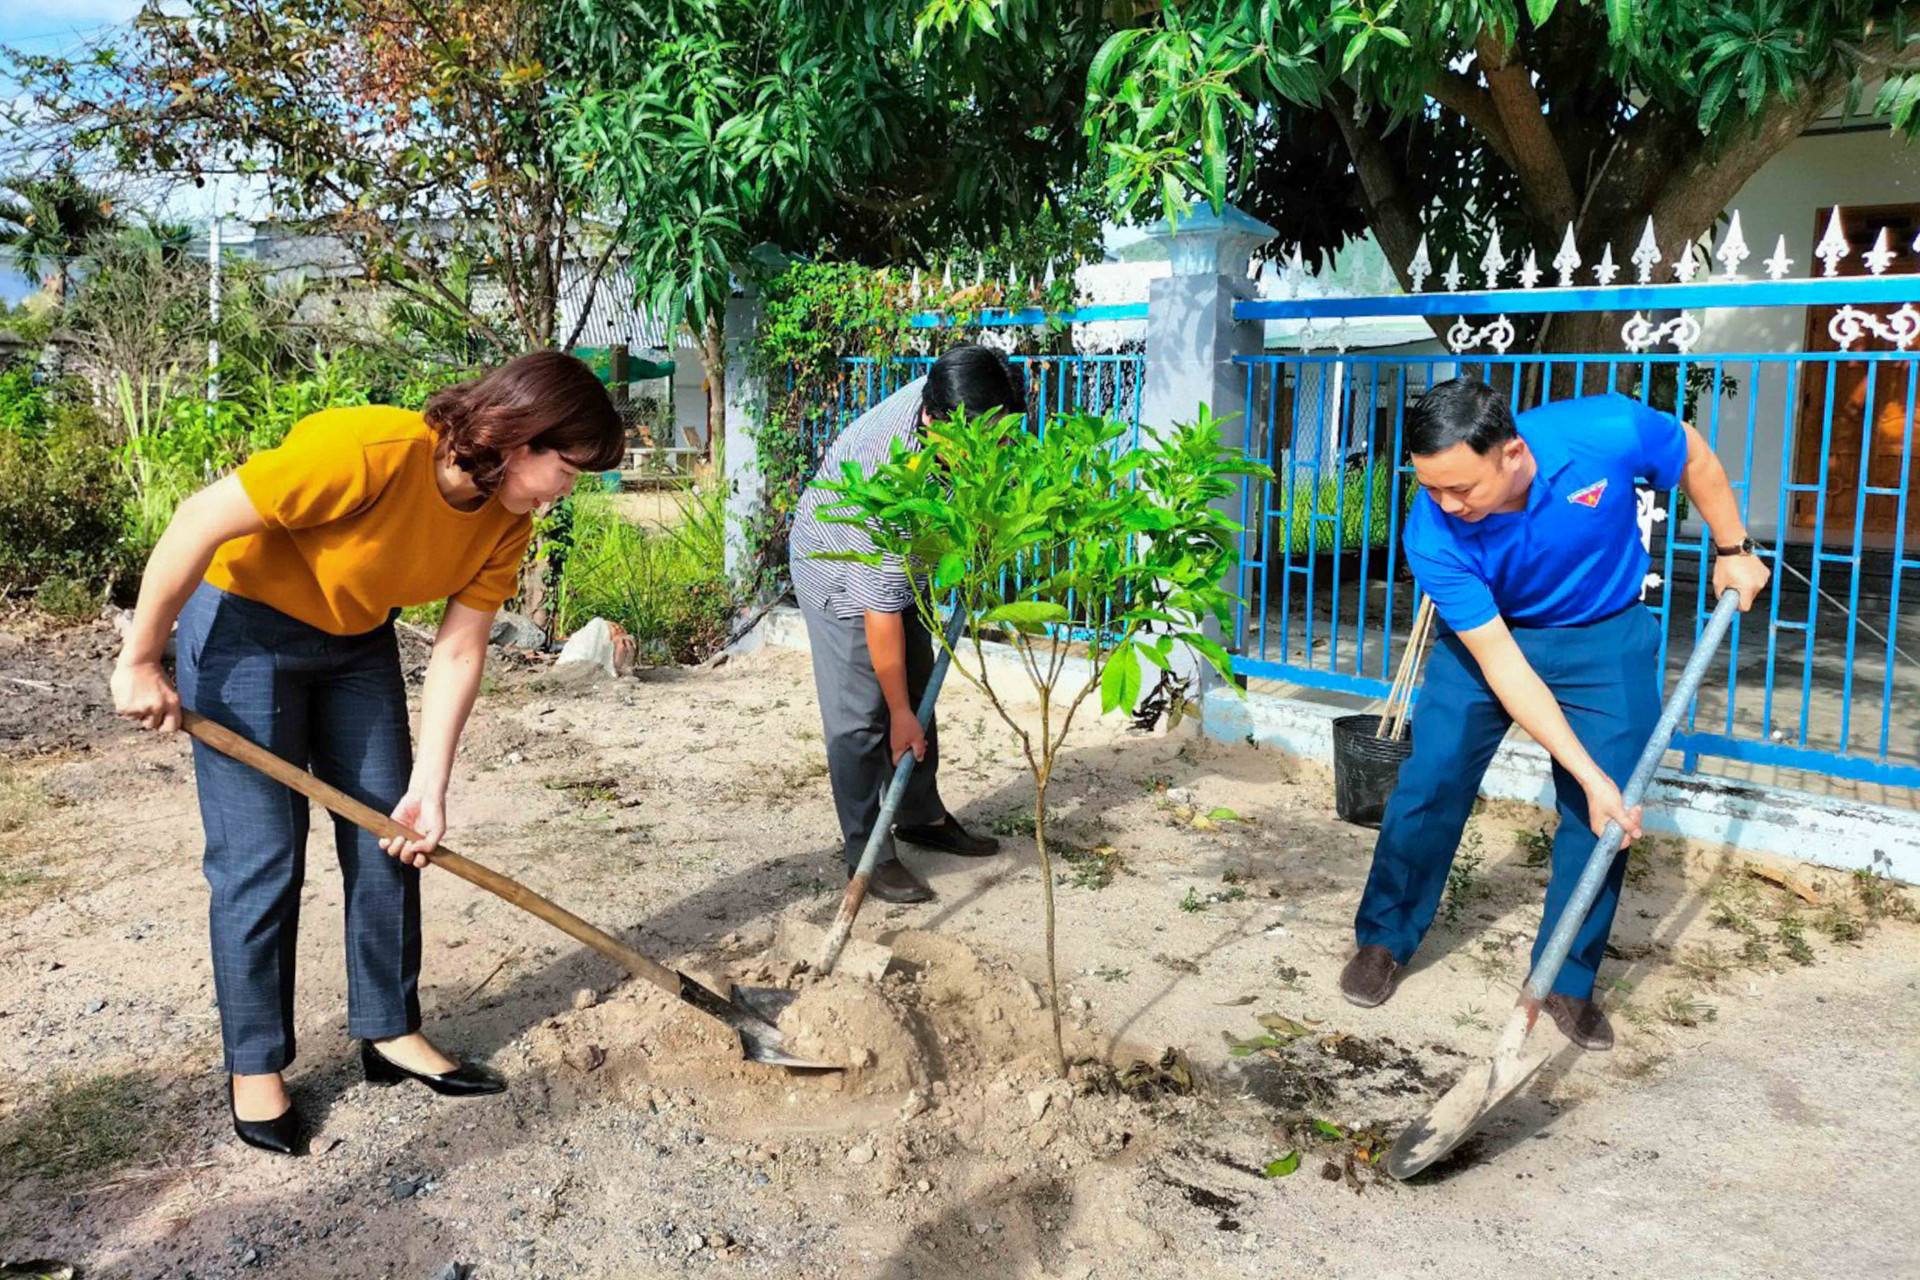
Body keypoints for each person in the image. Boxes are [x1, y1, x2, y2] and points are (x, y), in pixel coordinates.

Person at [110, 351, 625, 1154]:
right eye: (570, 466)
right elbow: (197, 521)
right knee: (261, 858)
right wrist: (141, 659)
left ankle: (389, 1029)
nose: (570, 486)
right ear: (522, 437)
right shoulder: (368, 453)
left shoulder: (506, 522)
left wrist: (431, 782)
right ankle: (256, 1066)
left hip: (355, 644)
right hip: (245, 631)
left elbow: (459, 650)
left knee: (393, 834)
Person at [1338, 377, 1771, 1049]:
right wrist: (1587, 770)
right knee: (1432, 781)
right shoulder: (1432, 532)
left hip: (1605, 634)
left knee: (1601, 817)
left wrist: (1733, 548)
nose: (1448, 505)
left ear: (1512, 453)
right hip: (1493, 642)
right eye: (1431, 488)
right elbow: (1506, 670)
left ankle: (1567, 980)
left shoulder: (1602, 432)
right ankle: (1384, 937)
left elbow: (1691, 455)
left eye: (1462, 489)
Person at [787, 344, 1021, 904]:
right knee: (864, 719)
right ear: (931, 420)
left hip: (904, 569)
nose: (989, 452)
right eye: (974, 445)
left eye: (998, 438)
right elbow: (880, 610)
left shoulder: (969, 395)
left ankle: (919, 816)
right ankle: (867, 850)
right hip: (839, 569)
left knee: (918, 692)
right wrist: (895, 715)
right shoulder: (885, 468)